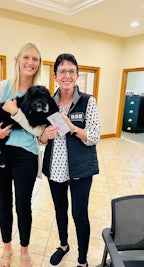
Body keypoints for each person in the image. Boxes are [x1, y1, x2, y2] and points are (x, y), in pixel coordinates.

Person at [0, 43, 45, 267]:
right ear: (17, 60)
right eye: (26, 57)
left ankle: (24, 251)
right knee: (3, 204)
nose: (30, 62)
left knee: (23, 206)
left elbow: (38, 130)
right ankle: (7, 249)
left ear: (39, 64)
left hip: (26, 156)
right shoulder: (1, 88)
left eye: (35, 59)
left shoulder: (39, 92)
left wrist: (16, 113)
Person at [40, 53, 100, 267]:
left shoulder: (87, 101)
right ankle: (64, 245)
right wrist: (44, 135)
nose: (67, 75)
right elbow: (41, 136)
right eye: (62, 71)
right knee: (59, 210)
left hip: (80, 169)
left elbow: (94, 137)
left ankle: (82, 260)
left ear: (77, 75)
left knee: (79, 214)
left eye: (71, 71)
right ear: (55, 76)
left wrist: (73, 127)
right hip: (55, 169)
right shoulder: (48, 104)